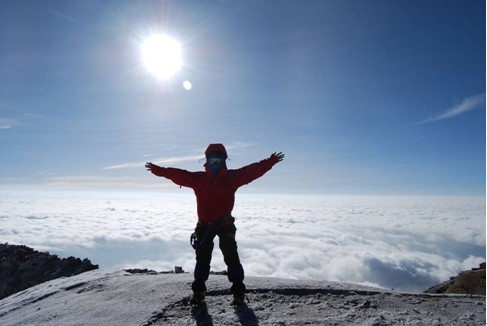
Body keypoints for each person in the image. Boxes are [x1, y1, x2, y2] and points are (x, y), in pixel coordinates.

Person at [145, 144, 284, 305]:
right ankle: (199, 292)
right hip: (205, 226)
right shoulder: (199, 179)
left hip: (224, 225)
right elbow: (177, 174)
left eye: (218, 161)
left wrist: (270, 162)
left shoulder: (231, 178)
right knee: (203, 259)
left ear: (225, 161)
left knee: (231, 258)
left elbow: (252, 171)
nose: (215, 164)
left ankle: (238, 292)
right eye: (212, 161)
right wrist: (158, 170)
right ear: (207, 161)